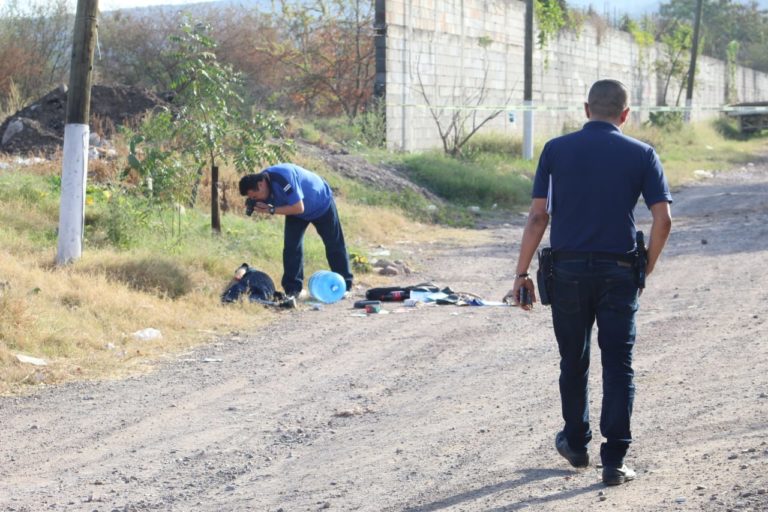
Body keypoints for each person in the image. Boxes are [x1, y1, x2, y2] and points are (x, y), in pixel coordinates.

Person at [504, 79, 672, 486]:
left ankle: (576, 442)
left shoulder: (555, 150)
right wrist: (644, 268)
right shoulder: (643, 154)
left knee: (574, 359)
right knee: (619, 364)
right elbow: (663, 219)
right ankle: (614, 460)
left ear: (586, 109)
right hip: (620, 271)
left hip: (568, 272)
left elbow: (538, 217)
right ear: (625, 114)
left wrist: (521, 272)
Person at [238, 163, 353, 298]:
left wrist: (271, 210)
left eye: (255, 197)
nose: (255, 200)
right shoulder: (261, 184)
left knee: (334, 244)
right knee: (292, 247)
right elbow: (288, 206)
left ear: (261, 184)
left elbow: (299, 207)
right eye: (251, 198)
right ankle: (293, 290)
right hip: (296, 212)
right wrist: (261, 205)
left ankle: (344, 285)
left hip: (321, 204)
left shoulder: (282, 178)